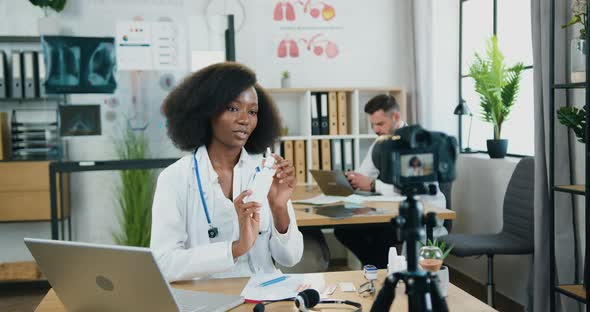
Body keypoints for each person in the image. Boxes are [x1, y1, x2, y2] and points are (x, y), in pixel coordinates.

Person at [150, 62, 304, 282]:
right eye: (233, 108)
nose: (245, 119)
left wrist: (279, 208)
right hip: (210, 300)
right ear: (207, 111)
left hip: (267, 295)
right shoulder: (176, 178)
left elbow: (291, 258)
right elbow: (164, 264)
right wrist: (235, 249)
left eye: (252, 111)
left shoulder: (266, 172)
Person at [335, 94, 446, 268]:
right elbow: (363, 174)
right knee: (344, 230)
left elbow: (411, 188)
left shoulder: (416, 143)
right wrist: (350, 179)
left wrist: (371, 185)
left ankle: (382, 271)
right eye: (372, 125)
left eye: (380, 124)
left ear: (396, 117)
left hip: (421, 210)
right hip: (391, 210)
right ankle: (378, 269)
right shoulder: (381, 142)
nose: (376, 130)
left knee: (380, 234)